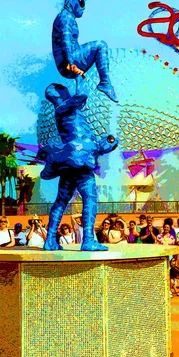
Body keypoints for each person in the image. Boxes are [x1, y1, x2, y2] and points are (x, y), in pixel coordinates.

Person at [37, 79, 118, 251]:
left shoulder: (67, 112)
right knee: (89, 199)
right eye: (64, 91)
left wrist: (109, 143)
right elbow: (82, 95)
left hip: (72, 162)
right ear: (58, 95)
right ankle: (88, 239)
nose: (68, 93)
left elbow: (92, 143)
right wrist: (78, 76)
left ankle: (50, 239)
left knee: (61, 201)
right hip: (79, 161)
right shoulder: (63, 108)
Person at [52, 0, 117, 102]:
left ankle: (83, 89)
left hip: (70, 60)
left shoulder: (67, 17)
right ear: (73, 2)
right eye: (81, 3)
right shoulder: (65, 17)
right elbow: (66, 41)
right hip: (67, 63)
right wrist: (72, 65)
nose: (83, 7)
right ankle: (105, 83)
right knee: (101, 45)